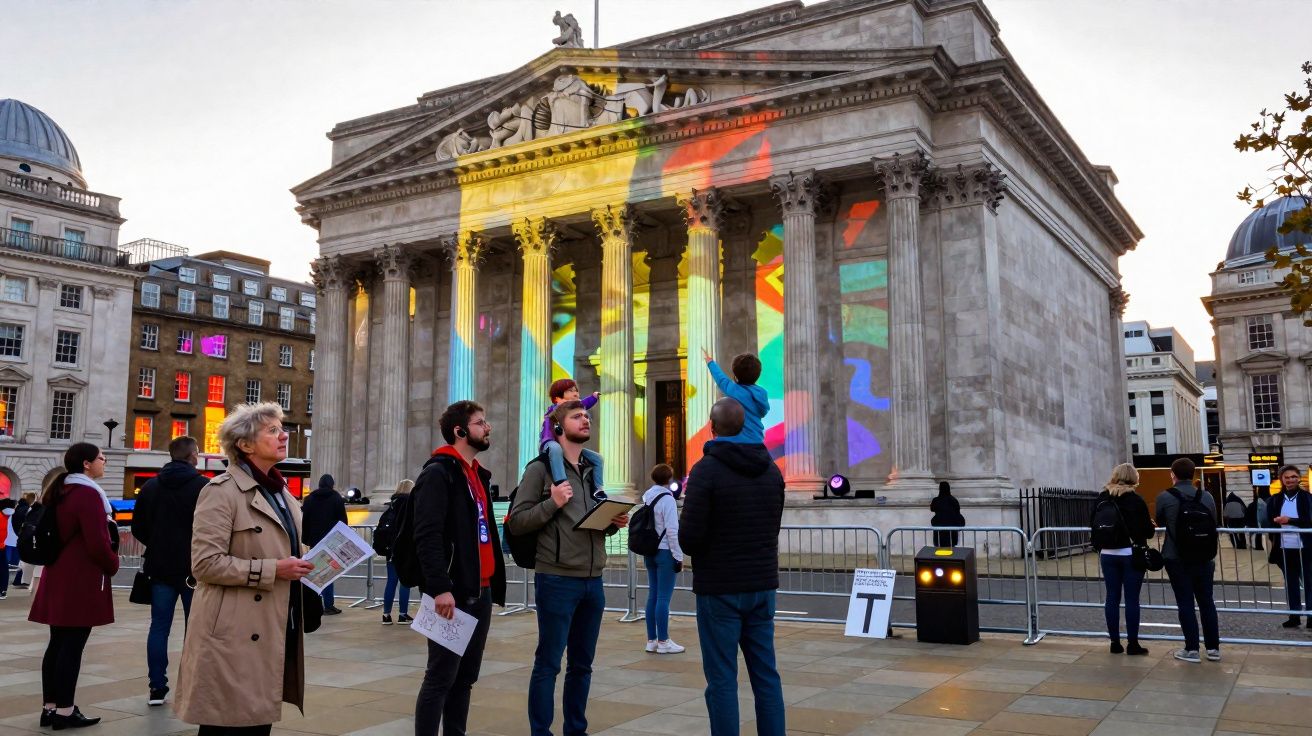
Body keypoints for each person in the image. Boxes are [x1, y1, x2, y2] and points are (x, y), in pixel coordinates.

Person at [174, 402, 316, 735]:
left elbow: (279, 545)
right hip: (232, 633)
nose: (284, 436)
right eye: (273, 431)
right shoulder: (220, 492)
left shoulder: (282, 493)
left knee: (257, 723)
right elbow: (205, 564)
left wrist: (312, 557)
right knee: (227, 725)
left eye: (282, 429)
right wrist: (274, 570)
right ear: (245, 444)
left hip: (271, 625)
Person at [508, 399, 628, 736]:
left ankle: (576, 729)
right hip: (557, 578)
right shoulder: (539, 469)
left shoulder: (591, 472)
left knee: (582, 666)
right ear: (558, 428)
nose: (586, 420)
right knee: (548, 663)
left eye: (587, 415)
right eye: (577, 416)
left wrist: (613, 522)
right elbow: (517, 522)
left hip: (594, 580)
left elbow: (588, 523)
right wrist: (552, 502)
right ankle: (540, 732)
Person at [680, 398, 786, 736]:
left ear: (713, 428)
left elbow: (689, 539)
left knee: (722, 679)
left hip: (720, 588)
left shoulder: (705, 471)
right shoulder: (771, 470)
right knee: (766, 675)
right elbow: (773, 525)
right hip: (761, 583)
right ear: (743, 426)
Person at [412, 400, 508, 736]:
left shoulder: (477, 474)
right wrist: (439, 587)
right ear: (460, 431)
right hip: (451, 592)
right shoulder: (439, 472)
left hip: (478, 590)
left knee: (465, 679)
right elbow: (427, 534)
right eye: (481, 423)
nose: (488, 428)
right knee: (440, 678)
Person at [27, 443, 119, 729]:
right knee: (72, 647)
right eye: (101, 458)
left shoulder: (61, 489)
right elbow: (97, 542)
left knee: (56, 644)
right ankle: (66, 711)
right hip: (79, 578)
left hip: (57, 573)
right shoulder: (88, 494)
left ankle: (50, 707)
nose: (105, 462)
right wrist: (113, 563)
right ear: (87, 464)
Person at [131, 435, 208, 706]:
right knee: (195, 627)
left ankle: (156, 686)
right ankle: (191, 684)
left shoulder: (151, 487)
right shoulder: (203, 487)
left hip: (159, 567)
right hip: (192, 568)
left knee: (159, 627)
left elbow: (137, 527)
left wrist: (157, 543)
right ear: (193, 456)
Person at [1155, 457, 1220, 663]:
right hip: (1204, 555)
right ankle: (1213, 649)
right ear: (1193, 474)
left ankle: (1191, 649)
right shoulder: (1206, 496)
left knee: (1185, 602)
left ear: (1172, 474)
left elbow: (1161, 521)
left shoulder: (1164, 496)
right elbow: (1214, 521)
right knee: (1207, 602)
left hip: (1176, 556)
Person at [1090, 463, 1155, 655]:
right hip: (1131, 554)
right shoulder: (1135, 500)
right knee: (1132, 599)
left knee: (1112, 597)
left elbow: (1092, 524)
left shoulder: (1102, 498)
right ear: (1133, 478)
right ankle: (1133, 644)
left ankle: (1114, 643)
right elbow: (1148, 532)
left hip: (1107, 553)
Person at [642, 463, 685, 654]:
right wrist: (678, 556)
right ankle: (663, 641)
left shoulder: (647, 496)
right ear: (669, 479)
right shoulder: (667, 499)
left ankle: (651, 640)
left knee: (652, 596)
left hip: (649, 550)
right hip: (665, 551)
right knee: (663, 599)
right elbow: (672, 531)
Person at [1267, 465, 1312, 628]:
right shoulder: (1275, 499)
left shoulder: (1307, 497)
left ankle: (1311, 616)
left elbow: (1309, 520)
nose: (1290, 479)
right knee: (1291, 583)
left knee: (1309, 582)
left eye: (1294, 476)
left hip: (1305, 547)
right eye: (1287, 477)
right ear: (1282, 479)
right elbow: (1269, 519)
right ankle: (1294, 616)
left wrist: (1290, 521)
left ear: (1299, 478)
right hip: (1285, 547)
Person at [541, 378, 602, 491]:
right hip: (550, 441)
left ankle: (598, 489)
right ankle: (561, 482)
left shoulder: (574, 406)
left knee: (597, 458)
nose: (575, 393)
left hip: (567, 446)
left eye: (576, 390)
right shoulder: (556, 409)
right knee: (555, 449)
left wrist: (593, 397)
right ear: (558, 397)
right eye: (570, 390)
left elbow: (584, 403)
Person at [301, 473, 348, 615]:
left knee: (316, 572)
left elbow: (305, 521)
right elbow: (342, 521)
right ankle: (328, 604)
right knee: (329, 573)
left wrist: (306, 539)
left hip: (315, 540)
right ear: (332, 484)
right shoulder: (336, 498)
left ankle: (315, 602)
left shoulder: (309, 499)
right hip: (331, 541)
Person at [701, 348, 769, 445]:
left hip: (737, 443)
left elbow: (721, 379)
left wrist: (710, 362)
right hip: (757, 443)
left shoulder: (734, 390)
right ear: (757, 374)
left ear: (736, 375)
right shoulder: (762, 394)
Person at [381, 479, 415, 625]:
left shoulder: (391, 506)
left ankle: (386, 615)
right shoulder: (410, 505)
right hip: (405, 550)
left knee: (391, 582)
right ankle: (402, 614)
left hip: (390, 550)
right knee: (404, 582)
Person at [930, 482, 965, 547]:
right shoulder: (954, 500)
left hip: (939, 530)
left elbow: (932, 508)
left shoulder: (936, 500)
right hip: (952, 529)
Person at [10, 493, 31, 588]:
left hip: (19, 536)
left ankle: (19, 580)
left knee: (23, 560)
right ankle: (21, 581)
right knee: (26, 560)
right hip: (26, 537)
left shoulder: (16, 510)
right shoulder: (27, 510)